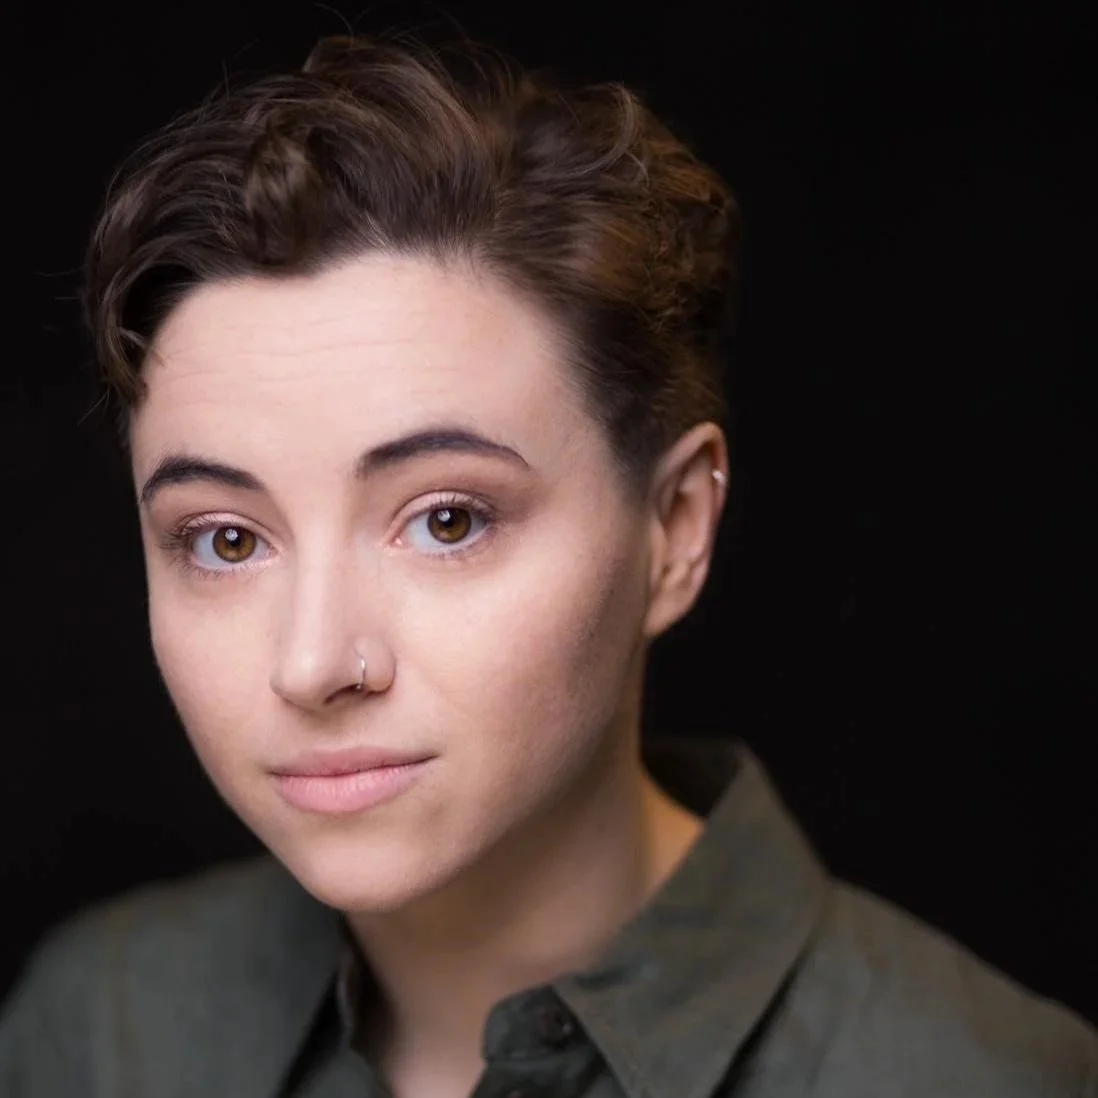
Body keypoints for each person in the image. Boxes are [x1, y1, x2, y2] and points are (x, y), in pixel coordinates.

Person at [1, 31, 1093, 1098]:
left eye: (446, 521)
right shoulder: (101, 1028)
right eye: (226, 539)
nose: (313, 661)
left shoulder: (985, 1076)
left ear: (674, 529)